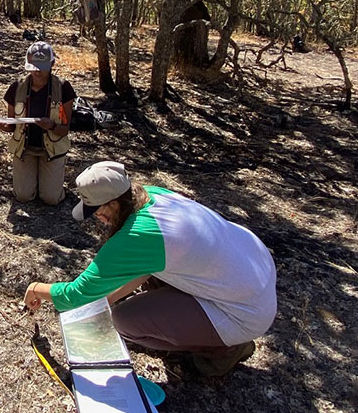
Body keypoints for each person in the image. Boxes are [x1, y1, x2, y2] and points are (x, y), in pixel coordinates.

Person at [22, 161, 276, 377]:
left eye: (97, 211)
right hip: (254, 269)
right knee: (140, 290)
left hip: (245, 312)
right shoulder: (151, 194)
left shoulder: (136, 237)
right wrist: (106, 299)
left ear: (113, 204)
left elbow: (75, 295)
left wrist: (36, 289)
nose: (97, 218)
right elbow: (146, 267)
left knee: (125, 321)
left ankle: (223, 350)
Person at [0, 41, 77, 205]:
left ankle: (50, 182)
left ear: (52, 64)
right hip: (25, 149)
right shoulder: (16, 88)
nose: (37, 71)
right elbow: (11, 125)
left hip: (51, 150)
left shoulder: (63, 88)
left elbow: (64, 129)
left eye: (42, 66)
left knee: (51, 199)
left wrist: (51, 125)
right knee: (23, 196)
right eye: (33, 66)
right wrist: (1, 125)